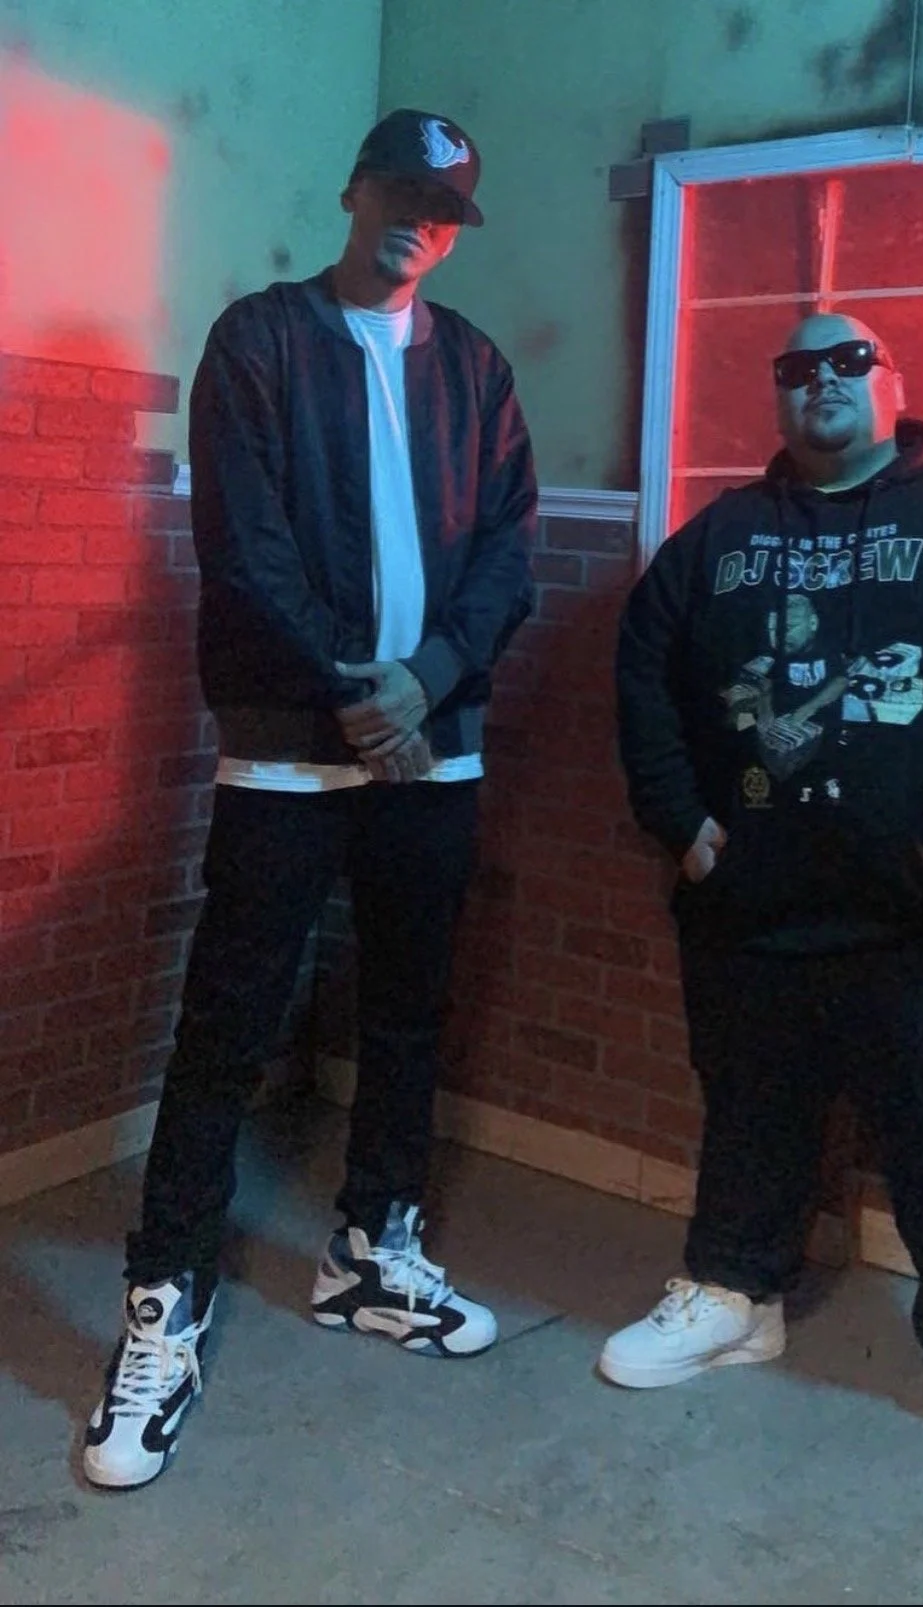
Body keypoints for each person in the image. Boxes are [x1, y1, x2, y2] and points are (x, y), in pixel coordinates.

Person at [84, 110, 537, 1490]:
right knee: (226, 1024)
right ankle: (164, 1298)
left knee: (404, 1011)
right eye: (398, 191)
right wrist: (354, 687)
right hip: (291, 749)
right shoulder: (260, 339)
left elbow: (508, 548)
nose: (418, 220)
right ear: (351, 193)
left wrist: (431, 680)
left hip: (431, 755)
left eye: (442, 205)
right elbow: (244, 538)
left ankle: (372, 1248)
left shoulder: (474, 366)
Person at [607, 312, 923, 1499]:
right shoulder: (718, 536)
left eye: (847, 363)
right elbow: (642, 672)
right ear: (776, 399)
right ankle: (734, 1293)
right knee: (751, 1105)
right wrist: (683, 825)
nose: (822, 382)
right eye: (796, 369)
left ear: (893, 386)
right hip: (754, 912)